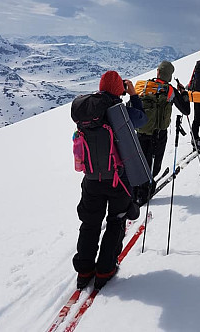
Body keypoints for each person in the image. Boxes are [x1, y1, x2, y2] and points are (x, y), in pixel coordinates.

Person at [72, 70, 147, 290]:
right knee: (116, 220)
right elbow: (142, 119)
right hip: (117, 179)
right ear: (118, 89)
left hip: (91, 178)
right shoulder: (119, 112)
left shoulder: (86, 111)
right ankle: (105, 269)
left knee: (90, 223)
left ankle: (84, 271)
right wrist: (133, 95)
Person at [134, 60, 190, 205]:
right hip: (158, 135)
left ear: (158, 72)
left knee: (139, 161)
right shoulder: (170, 90)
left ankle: (135, 191)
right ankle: (144, 192)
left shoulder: (143, 86)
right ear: (170, 76)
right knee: (153, 165)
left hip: (140, 132)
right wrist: (184, 94)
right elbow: (186, 110)